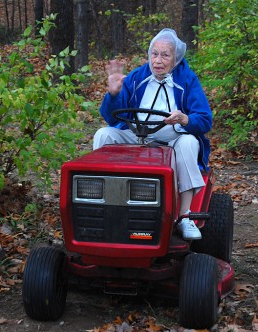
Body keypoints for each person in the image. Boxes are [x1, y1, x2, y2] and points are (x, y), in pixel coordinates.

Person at [93, 28, 213, 240]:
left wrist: (185, 119)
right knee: (104, 135)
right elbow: (112, 118)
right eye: (154, 54)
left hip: (172, 138)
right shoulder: (137, 77)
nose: (158, 60)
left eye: (165, 55)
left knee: (189, 143)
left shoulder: (187, 80)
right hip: (136, 135)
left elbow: (204, 119)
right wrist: (112, 94)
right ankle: (102, 203)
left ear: (175, 58)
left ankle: (185, 216)